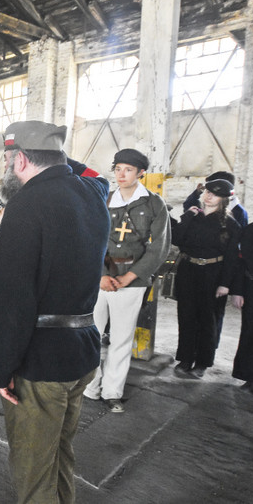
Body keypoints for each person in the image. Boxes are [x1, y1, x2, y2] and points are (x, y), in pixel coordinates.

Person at [0, 121, 110, 504]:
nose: (7, 168)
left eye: (9, 159)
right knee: (60, 456)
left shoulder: (25, 206)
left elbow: (13, 301)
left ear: (20, 158)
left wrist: (1, 368)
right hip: (82, 351)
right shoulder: (92, 194)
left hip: (41, 363)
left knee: (34, 470)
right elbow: (95, 174)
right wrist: (55, 156)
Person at [83, 149, 171, 413]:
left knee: (121, 339)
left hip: (132, 282)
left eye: (128, 170)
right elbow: (89, 238)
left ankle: (112, 392)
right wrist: (101, 275)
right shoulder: (104, 199)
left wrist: (128, 277)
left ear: (141, 173)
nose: (121, 175)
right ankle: (89, 388)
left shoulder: (155, 204)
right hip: (99, 280)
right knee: (91, 335)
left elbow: (159, 248)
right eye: (118, 169)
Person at [171, 179, 241, 378]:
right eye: (208, 192)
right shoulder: (193, 216)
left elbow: (232, 258)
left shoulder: (230, 224)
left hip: (213, 272)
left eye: (215, 194)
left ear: (224, 199)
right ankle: (185, 358)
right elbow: (176, 239)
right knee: (186, 316)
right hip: (188, 269)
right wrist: (187, 217)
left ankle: (202, 362)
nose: (209, 196)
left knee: (208, 320)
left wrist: (225, 284)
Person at [231, 190, 253, 394]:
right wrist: (238, 291)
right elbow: (240, 263)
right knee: (251, 333)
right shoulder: (252, 230)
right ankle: (251, 377)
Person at [183, 171, 248, 228]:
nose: (208, 193)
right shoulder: (209, 205)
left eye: (211, 189)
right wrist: (196, 193)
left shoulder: (239, 213)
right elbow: (188, 207)